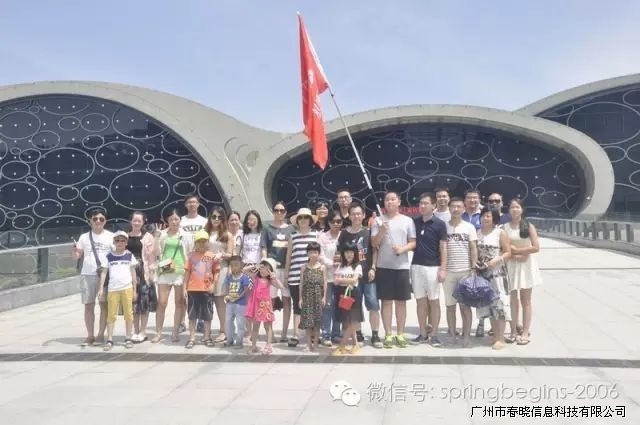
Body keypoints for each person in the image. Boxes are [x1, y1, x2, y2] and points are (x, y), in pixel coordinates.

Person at [370, 191, 416, 348]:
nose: (389, 202)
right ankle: (388, 334)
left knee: (401, 302)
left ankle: (400, 334)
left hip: (401, 267)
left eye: (392, 199)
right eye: (387, 200)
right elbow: (374, 243)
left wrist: (402, 249)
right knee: (387, 301)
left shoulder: (407, 221)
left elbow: (413, 242)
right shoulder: (377, 221)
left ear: (399, 202)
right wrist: (382, 231)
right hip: (383, 267)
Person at [339, 203, 382, 348]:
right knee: (354, 307)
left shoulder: (368, 232)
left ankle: (375, 335)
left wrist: (373, 268)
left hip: (368, 275)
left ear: (363, 215)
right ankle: (358, 333)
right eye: (353, 214)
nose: (356, 216)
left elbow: (375, 251)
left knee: (373, 305)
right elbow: (341, 255)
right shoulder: (344, 234)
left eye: (359, 213)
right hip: (352, 278)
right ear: (349, 216)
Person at [410, 193, 448, 347]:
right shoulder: (414, 222)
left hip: (433, 267)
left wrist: (443, 269)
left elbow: (443, 248)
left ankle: (434, 335)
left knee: (434, 301)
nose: (422, 206)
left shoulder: (440, 224)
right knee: (420, 301)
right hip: (416, 266)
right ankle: (422, 333)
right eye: (421, 203)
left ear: (434, 206)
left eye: (426, 203)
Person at [72, 209, 114, 347]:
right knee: (88, 305)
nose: (98, 221)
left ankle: (100, 334)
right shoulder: (84, 237)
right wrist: (75, 252)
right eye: (95, 219)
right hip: (87, 274)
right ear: (90, 221)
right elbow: (78, 255)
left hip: (105, 275)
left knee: (104, 305)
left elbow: (116, 254)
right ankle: (90, 335)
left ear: (105, 221)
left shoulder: (111, 236)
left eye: (101, 219)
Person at [505, 198, 542, 345]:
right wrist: (516, 255)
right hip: (511, 265)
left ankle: (525, 333)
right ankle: (513, 331)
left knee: (525, 300)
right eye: (512, 207)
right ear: (509, 210)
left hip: (526, 266)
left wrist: (518, 251)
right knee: (512, 300)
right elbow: (503, 247)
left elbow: (536, 247)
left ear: (522, 209)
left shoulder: (528, 226)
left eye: (517, 207)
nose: (515, 210)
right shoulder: (504, 227)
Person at [475, 207, 512, 350]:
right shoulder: (477, 233)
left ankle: (501, 338)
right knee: (489, 305)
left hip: (497, 274)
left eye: (489, 216)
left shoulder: (500, 232)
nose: (485, 218)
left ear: (494, 218)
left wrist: (497, 260)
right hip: (483, 274)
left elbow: (508, 252)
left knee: (499, 304)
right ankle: (495, 336)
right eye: (483, 215)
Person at [443, 197, 478, 347]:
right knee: (450, 306)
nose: (456, 209)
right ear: (449, 208)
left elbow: (473, 248)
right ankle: (452, 335)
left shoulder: (469, 227)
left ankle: (466, 337)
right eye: (453, 206)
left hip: (465, 272)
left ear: (463, 209)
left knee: (465, 307)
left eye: (459, 207)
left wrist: (473, 268)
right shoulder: (443, 226)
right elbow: (441, 248)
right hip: (448, 272)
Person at [152, 209, 189, 343]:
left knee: (179, 302)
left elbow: (189, 252)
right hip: (165, 270)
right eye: (171, 219)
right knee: (162, 302)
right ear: (167, 220)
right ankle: (158, 333)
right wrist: (156, 238)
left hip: (180, 271)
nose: (174, 222)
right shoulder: (162, 234)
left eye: (176, 219)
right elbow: (156, 252)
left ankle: (175, 332)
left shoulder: (185, 235)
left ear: (180, 220)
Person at [284, 208, 319, 347]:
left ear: (310, 220)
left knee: (312, 306)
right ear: (297, 221)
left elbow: (319, 256)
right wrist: (286, 276)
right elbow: (288, 256)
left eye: (306, 217)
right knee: (297, 305)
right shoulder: (293, 236)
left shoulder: (316, 235)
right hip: (295, 276)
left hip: (312, 276)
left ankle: (313, 334)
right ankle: (296, 334)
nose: (303, 220)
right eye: (301, 218)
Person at [97, 231, 137, 351]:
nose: (120, 243)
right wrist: (100, 288)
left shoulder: (129, 255)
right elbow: (104, 272)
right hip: (113, 289)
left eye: (123, 240)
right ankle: (110, 339)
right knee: (111, 314)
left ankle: (128, 337)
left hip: (127, 288)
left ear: (126, 242)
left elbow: (133, 273)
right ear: (114, 242)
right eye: (118, 240)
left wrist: (135, 290)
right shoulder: (109, 256)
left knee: (129, 314)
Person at [261, 201, 294, 342]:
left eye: (282, 210)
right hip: (272, 269)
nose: (279, 213)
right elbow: (264, 248)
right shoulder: (267, 228)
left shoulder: (291, 229)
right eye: (276, 210)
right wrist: (265, 265)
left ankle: (284, 333)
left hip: (287, 269)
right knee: (270, 301)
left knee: (287, 300)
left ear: (285, 212)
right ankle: (270, 332)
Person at [182, 230, 219, 348]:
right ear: (195, 243)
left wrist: (214, 285)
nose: (202, 244)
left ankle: (207, 337)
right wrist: (184, 288)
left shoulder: (212, 256)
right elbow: (187, 273)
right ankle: (192, 337)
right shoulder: (191, 256)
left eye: (204, 241)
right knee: (192, 315)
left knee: (207, 315)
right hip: (193, 289)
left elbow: (216, 272)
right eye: (199, 241)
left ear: (208, 242)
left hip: (207, 289)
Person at [179, 195, 208, 333]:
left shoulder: (204, 221)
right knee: (184, 293)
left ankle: (201, 320)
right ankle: (182, 321)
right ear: (185, 204)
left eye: (194, 202)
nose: (192, 204)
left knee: (200, 291)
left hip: (200, 260)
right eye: (189, 202)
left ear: (198, 204)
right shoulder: (181, 221)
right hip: (184, 258)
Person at [205, 207, 234, 344]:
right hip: (206, 268)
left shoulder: (227, 234)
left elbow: (231, 254)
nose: (216, 219)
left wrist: (221, 255)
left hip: (221, 268)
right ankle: (207, 331)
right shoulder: (205, 232)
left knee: (220, 301)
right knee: (206, 300)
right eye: (214, 216)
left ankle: (224, 330)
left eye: (219, 217)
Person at [127, 212, 157, 343]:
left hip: (143, 272)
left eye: (139, 221)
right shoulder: (125, 236)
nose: (137, 223)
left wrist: (151, 273)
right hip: (128, 272)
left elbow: (151, 256)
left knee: (144, 302)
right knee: (133, 303)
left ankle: (143, 331)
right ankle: (135, 330)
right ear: (131, 221)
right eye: (134, 220)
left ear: (143, 222)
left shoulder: (148, 237)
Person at [332, 242, 364, 356]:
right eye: (346, 252)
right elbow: (335, 281)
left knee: (352, 321)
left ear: (355, 254)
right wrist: (343, 281)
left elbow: (354, 280)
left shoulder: (357, 266)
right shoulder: (341, 266)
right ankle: (355, 344)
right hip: (341, 294)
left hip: (353, 294)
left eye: (351, 252)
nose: (349, 254)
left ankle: (342, 345)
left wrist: (341, 280)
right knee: (346, 321)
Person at [246, 258, 283, 355]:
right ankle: (253, 346)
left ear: (270, 271)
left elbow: (281, 286)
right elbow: (244, 270)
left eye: (267, 269)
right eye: (263, 268)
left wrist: (275, 278)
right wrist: (255, 266)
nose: (264, 271)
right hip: (256, 306)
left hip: (266, 306)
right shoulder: (255, 277)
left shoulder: (270, 281)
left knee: (268, 326)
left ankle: (268, 346)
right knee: (255, 327)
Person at [318, 211, 342, 346]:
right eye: (333, 221)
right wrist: (332, 264)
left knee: (339, 305)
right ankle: (326, 334)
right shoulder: (322, 237)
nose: (336, 224)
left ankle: (336, 334)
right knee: (327, 305)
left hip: (342, 277)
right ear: (328, 223)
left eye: (339, 221)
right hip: (327, 276)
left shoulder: (344, 235)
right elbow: (320, 256)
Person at [298, 242, 327, 352]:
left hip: (318, 297)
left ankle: (315, 345)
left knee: (317, 322)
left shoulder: (322, 267)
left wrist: (324, 297)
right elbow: (301, 283)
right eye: (310, 252)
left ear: (318, 253)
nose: (313, 254)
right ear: (307, 253)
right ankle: (308, 344)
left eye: (315, 252)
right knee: (308, 322)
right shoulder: (304, 267)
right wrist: (300, 298)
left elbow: (325, 283)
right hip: (307, 297)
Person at [224, 255, 252, 348]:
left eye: (236, 265)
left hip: (241, 304)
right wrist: (227, 296)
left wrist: (238, 297)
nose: (233, 267)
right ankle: (230, 340)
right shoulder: (229, 277)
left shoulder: (244, 277)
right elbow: (227, 287)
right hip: (230, 303)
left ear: (241, 265)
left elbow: (246, 290)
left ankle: (239, 342)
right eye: (231, 265)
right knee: (228, 322)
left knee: (240, 323)